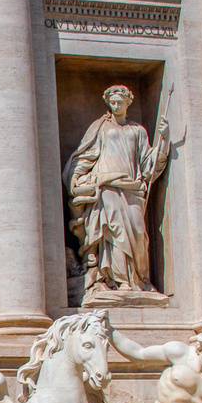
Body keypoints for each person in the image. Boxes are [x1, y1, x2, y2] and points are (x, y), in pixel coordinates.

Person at [65, 84, 169, 294]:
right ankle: (119, 281)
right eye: (112, 102)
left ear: (128, 102)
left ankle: (137, 280)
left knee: (138, 233)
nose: (115, 105)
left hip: (132, 188)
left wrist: (164, 139)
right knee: (114, 231)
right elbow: (86, 155)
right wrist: (76, 175)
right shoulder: (101, 127)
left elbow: (149, 162)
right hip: (108, 186)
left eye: (120, 102)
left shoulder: (138, 131)